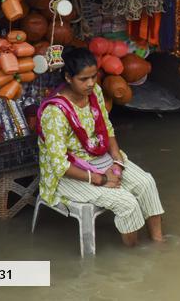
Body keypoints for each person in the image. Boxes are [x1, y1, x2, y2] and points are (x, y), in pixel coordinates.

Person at [37, 47, 164, 247]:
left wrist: (117, 162)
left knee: (146, 183)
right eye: (83, 79)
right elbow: (60, 165)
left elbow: (107, 127)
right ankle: (137, 256)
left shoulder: (95, 92)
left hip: (101, 158)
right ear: (69, 78)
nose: (90, 83)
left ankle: (159, 244)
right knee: (127, 203)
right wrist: (101, 179)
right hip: (68, 174)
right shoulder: (54, 113)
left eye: (93, 77)